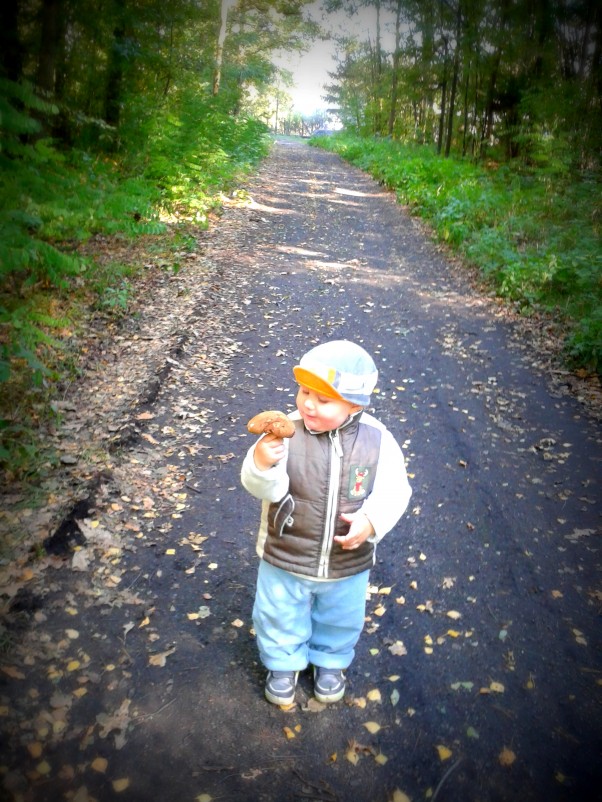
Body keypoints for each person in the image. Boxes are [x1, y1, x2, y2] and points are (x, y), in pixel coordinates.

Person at [241, 340, 412, 706]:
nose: (307, 404)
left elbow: (396, 491)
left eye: (323, 399)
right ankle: (283, 663)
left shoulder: (378, 441)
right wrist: (262, 462)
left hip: (346, 560)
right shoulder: (288, 432)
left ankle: (330, 661)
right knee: (277, 612)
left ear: (354, 405)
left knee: (341, 616)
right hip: (286, 551)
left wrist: (371, 520)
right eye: (304, 392)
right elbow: (261, 488)